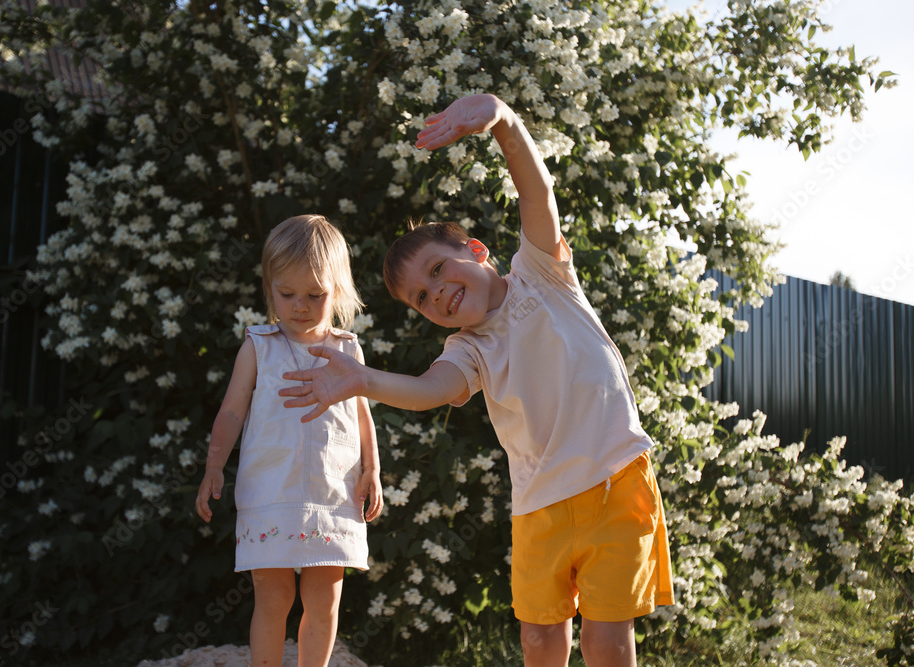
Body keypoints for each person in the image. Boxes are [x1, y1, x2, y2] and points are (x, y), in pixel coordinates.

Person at [279, 95, 674, 667]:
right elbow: (427, 391)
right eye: (421, 296)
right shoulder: (469, 349)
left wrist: (504, 121)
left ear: (478, 251)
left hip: (615, 481)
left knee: (607, 640)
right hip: (539, 505)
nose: (435, 291)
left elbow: (536, 193)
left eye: (438, 269)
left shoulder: (541, 274)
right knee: (540, 639)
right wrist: (361, 379)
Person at [196, 214, 383, 667]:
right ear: (269, 288)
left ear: (337, 292)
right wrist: (213, 466)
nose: (300, 305)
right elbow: (232, 411)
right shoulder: (259, 346)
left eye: (315, 295)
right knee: (273, 596)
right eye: (287, 294)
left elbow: (363, 416)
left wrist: (373, 470)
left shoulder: (347, 350)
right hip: (271, 490)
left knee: (325, 598)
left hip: (333, 492)